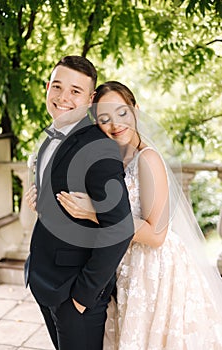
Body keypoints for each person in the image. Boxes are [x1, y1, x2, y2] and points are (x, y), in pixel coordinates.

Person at [56, 81, 222, 349]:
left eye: (121, 113)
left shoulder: (148, 159)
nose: (115, 124)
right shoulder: (117, 159)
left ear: (135, 110)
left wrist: (96, 213)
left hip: (155, 267)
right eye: (104, 119)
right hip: (129, 261)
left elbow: (157, 235)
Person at [24, 58, 134, 350]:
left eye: (75, 91)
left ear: (91, 98)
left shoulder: (97, 146)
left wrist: (81, 299)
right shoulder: (50, 138)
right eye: (57, 86)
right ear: (47, 88)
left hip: (74, 294)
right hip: (45, 280)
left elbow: (121, 228)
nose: (63, 97)